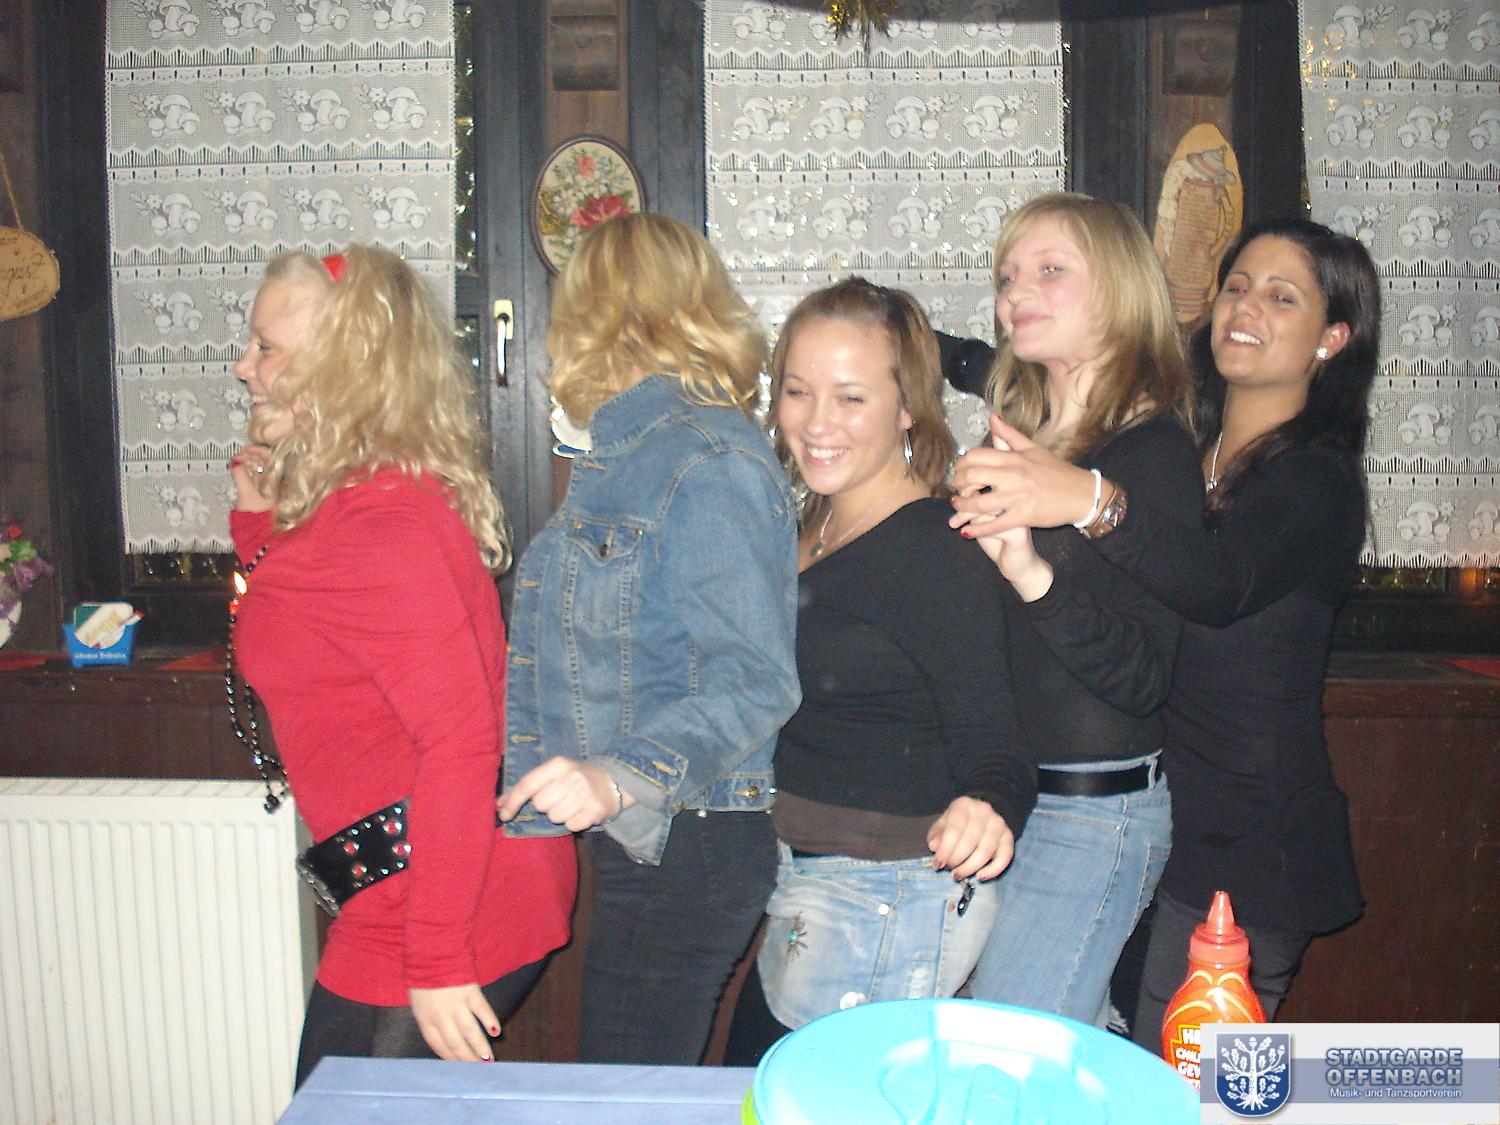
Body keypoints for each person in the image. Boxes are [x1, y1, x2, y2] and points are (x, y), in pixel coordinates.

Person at [951, 217, 1377, 1045]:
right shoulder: (1190, 445)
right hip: (1162, 817)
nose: (1245, 307)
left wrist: (1084, 499)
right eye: (1236, 286)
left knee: (1181, 1084)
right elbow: (1027, 356)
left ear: (1332, 338)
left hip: (1246, 845)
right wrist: (915, 339)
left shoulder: (1316, 481)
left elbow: (1217, 586)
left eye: (1281, 297)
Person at [227, 245, 577, 1085]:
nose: (244, 366)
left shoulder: (381, 526)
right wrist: (259, 526)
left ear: (341, 366)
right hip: (411, 884)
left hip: (448, 898)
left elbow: (461, 745)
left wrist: (438, 957)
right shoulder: (351, 505)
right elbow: (316, 637)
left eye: (266, 347)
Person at [496, 212, 801, 1066]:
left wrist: (614, 774)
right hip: (658, 836)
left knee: (623, 1096)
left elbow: (756, 679)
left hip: (692, 836)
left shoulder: (706, 459)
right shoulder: (633, 453)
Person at [728, 277, 1033, 1055]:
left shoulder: (934, 551)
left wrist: (987, 803)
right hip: (805, 876)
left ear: (907, 408)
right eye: (798, 390)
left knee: (773, 1089)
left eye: (851, 397)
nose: (816, 422)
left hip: (888, 891)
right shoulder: (811, 519)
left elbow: (998, 744)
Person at [948, 193, 1203, 1029]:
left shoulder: (1151, 452)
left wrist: (1029, 571)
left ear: (1119, 289)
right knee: (1054, 1051)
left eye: (1050, 270)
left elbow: (1142, 678)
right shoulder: (1025, 441)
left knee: (1011, 1051)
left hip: (1095, 813)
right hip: (1012, 800)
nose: (1016, 291)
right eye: (1007, 276)